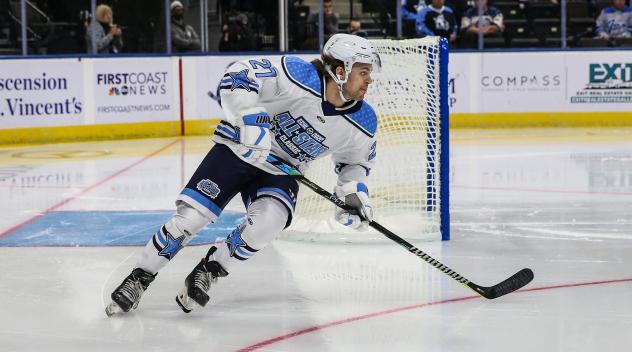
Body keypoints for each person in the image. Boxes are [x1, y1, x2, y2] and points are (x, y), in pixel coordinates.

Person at [105, 33, 381, 316]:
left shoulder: (363, 121)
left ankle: (209, 269)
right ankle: (139, 278)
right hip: (239, 150)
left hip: (281, 171)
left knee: (268, 225)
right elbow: (239, 75)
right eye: (363, 72)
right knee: (191, 219)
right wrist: (248, 114)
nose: (369, 80)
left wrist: (353, 192)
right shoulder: (299, 76)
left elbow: (355, 164)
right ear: (340, 71)